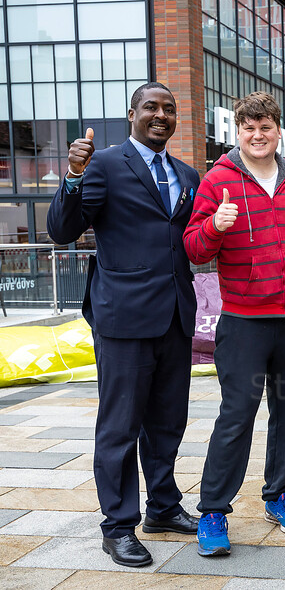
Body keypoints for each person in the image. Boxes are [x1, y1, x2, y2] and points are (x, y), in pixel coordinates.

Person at [47, 82, 200, 567]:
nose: (161, 115)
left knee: (168, 422)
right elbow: (61, 230)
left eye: (169, 109)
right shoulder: (105, 164)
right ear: (131, 113)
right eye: (151, 107)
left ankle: (162, 506)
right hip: (123, 319)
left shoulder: (187, 173)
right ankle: (118, 525)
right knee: (119, 426)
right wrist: (73, 173)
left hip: (175, 315)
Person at [183, 91, 285, 556]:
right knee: (237, 416)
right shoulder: (217, 180)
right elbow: (194, 250)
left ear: (277, 131)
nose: (257, 135)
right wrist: (215, 226)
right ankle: (214, 510)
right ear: (237, 133)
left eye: (265, 127)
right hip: (244, 321)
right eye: (248, 128)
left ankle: (277, 495)